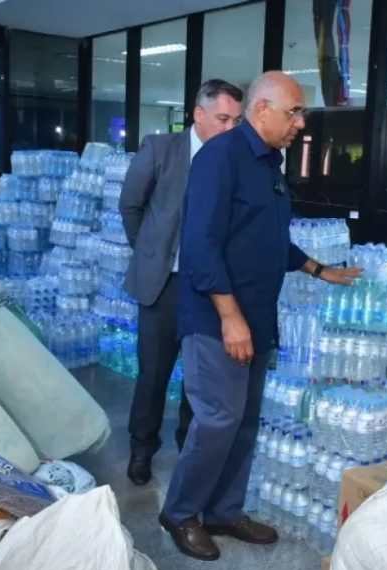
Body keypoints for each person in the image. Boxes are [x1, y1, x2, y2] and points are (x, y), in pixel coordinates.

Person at [159, 71, 361, 561]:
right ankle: (181, 513)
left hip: (257, 318)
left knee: (244, 422)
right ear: (262, 109)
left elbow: (268, 237)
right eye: (293, 112)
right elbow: (201, 246)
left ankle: (225, 512)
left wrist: (318, 269)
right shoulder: (220, 159)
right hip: (217, 322)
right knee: (217, 420)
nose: (301, 122)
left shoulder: (270, 165)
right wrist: (230, 317)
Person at [120, 79, 245, 486]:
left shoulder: (233, 159)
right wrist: (152, 254)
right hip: (163, 287)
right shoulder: (161, 149)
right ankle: (142, 450)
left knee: (200, 379)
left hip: (208, 289)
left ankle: (189, 451)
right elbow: (131, 205)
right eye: (223, 118)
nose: (230, 128)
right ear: (198, 115)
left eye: (236, 120)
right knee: (153, 374)